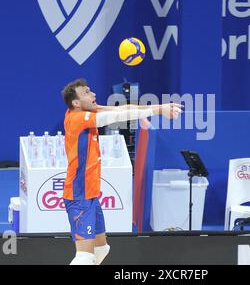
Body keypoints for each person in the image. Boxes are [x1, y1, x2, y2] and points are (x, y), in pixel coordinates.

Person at [61, 78, 182, 265]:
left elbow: (121, 110)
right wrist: (158, 110)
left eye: (90, 90)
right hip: (78, 195)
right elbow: (116, 118)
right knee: (84, 256)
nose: (93, 94)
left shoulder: (89, 110)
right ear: (76, 103)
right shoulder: (77, 118)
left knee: (102, 249)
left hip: (90, 194)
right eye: (86, 93)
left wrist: (160, 106)